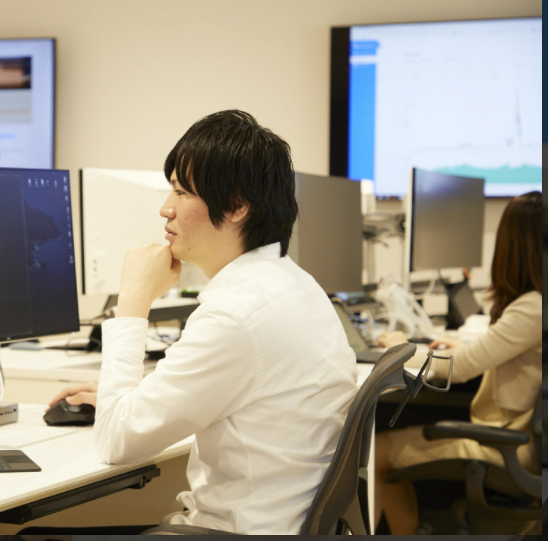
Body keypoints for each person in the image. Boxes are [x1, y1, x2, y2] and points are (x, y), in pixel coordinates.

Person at [47, 110, 358, 534]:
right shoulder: (292, 284)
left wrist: (134, 299)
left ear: (237, 206)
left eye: (181, 192)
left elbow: (116, 442)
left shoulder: (235, 316)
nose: (165, 209)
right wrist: (128, 400)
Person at [373, 191, 543, 535]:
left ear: (513, 246)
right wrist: (465, 346)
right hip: (517, 440)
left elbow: (456, 368)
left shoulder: (532, 308)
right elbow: (501, 352)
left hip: (508, 449)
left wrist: (400, 348)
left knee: (375, 453)